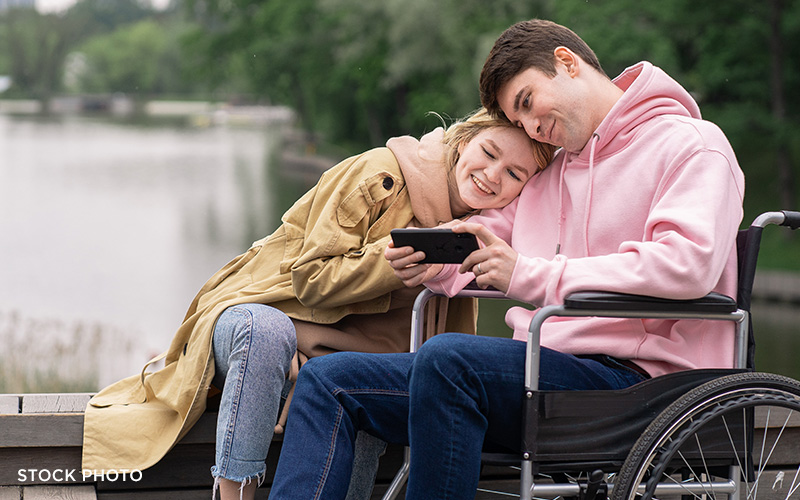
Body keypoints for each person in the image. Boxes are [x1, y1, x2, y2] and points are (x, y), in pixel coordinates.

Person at [268, 18, 746, 499]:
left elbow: (687, 262)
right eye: (519, 122)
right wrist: (430, 258)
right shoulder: (552, 172)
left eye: (527, 102)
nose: (534, 127)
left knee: (450, 358)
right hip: (542, 375)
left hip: (641, 386)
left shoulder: (693, 145)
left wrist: (532, 275)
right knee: (329, 381)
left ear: (566, 62)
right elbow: (481, 241)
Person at [80, 107, 554, 500]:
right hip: (263, 313)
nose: (493, 175)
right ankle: (232, 494)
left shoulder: (478, 234)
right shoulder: (380, 173)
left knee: (358, 380)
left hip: (340, 358)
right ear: (463, 140)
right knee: (268, 335)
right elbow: (308, 278)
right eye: (488, 153)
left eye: (514, 173)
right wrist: (388, 264)